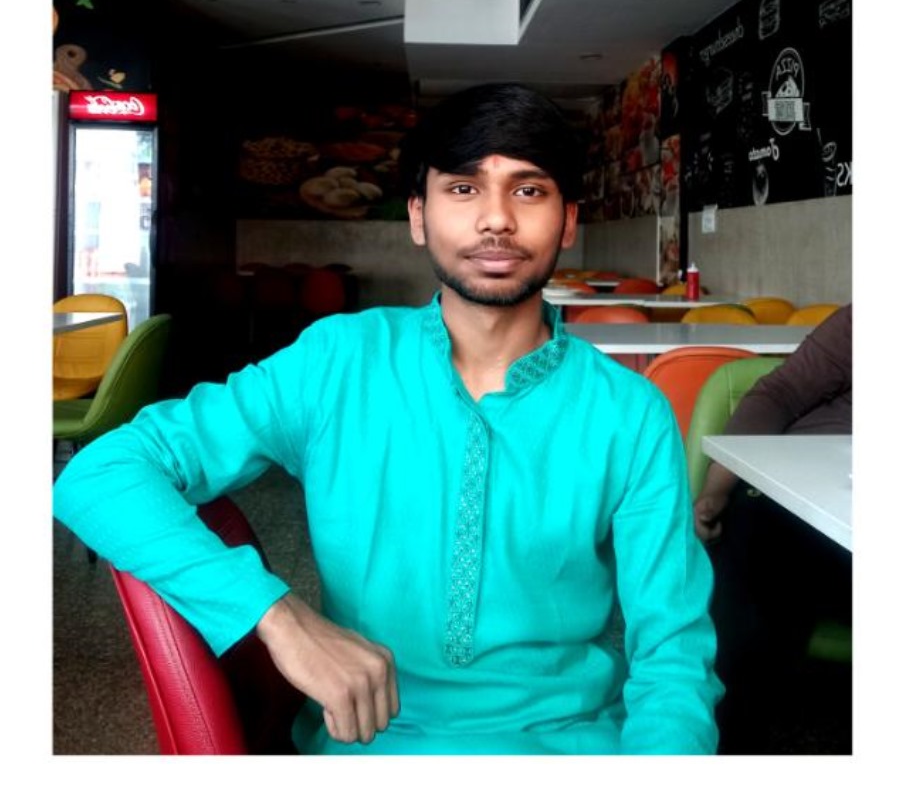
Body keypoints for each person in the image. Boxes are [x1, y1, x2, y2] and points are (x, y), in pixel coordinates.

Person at [54, 83, 722, 755]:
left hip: (571, 746)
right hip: (370, 744)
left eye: (528, 190)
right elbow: (100, 472)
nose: (496, 219)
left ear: (568, 220)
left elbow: (672, 652)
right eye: (462, 189)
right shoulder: (337, 360)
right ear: (417, 215)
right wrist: (275, 613)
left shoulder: (630, 412)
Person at [693, 303, 852, 753]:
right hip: (800, 501)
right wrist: (716, 491)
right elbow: (779, 394)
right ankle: (727, 743)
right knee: (756, 563)